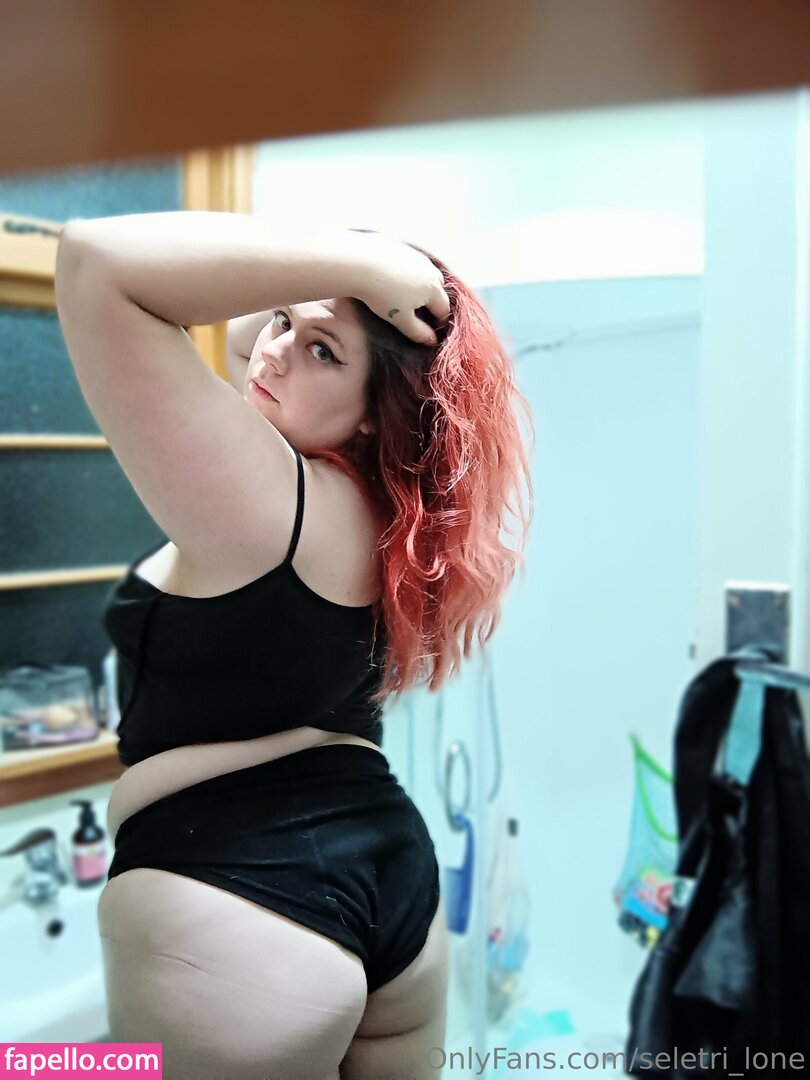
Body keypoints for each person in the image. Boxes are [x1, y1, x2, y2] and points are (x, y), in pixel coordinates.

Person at [54, 212, 533, 1080]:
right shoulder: (393, 520)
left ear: (374, 412)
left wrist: (362, 262)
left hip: (238, 889)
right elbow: (249, 334)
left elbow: (97, 261)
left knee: (35, 1065)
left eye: (322, 352)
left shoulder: (272, 498)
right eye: (283, 322)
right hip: (395, 890)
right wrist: (344, 293)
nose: (270, 353)